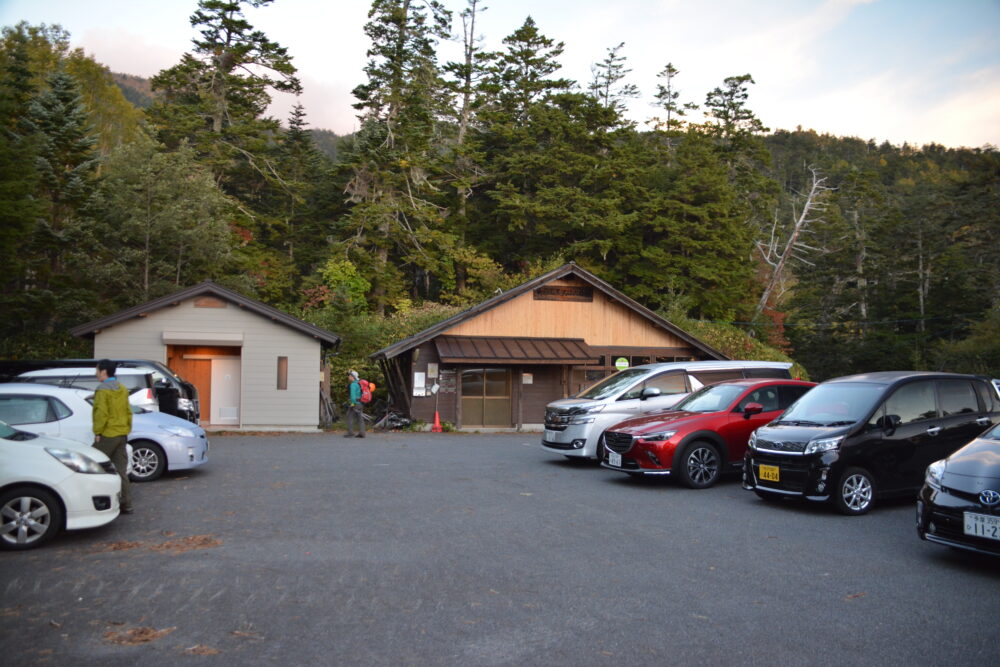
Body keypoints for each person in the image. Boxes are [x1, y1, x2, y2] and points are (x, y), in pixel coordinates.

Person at [93, 359, 134, 514]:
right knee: (121, 471)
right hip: (122, 433)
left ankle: (96, 503)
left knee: (93, 465)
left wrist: (98, 432)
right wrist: (126, 429)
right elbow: (128, 411)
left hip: (108, 434)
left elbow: (101, 413)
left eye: (97, 370)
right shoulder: (122, 388)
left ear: (104, 371)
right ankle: (126, 504)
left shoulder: (102, 390)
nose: (96, 373)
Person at [345, 370, 365, 438]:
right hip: (360, 403)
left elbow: (353, 396)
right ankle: (362, 433)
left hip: (355, 403)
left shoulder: (353, 384)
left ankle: (350, 432)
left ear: (352, 377)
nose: (348, 377)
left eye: (349, 376)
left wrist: (352, 404)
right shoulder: (359, 383)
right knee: (360, 418)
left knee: (349, 416)